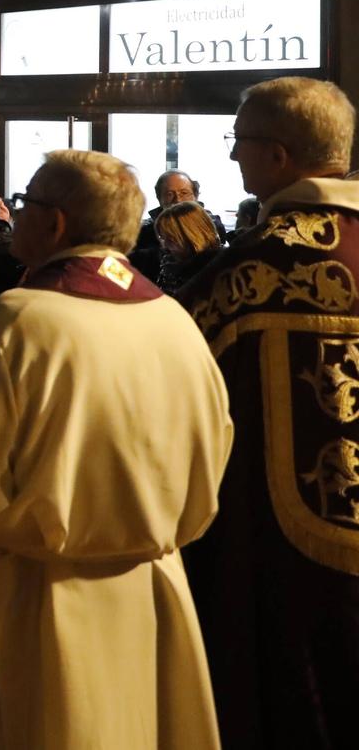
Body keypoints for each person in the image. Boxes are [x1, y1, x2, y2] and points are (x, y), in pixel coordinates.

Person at [0, 150, 231, 749]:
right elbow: (212, 463)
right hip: (152, 586)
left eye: (26, 202)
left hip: (35, 596)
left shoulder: (18, 324)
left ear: (55, 223)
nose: (13, 213)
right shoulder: (174, 322)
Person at [178, 77, 359, 749]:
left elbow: (177, 380)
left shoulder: (253, 265)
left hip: (285, 556)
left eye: (239, 141)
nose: (231, 158)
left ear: (279, 156)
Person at [129, 168, 198, 282]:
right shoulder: (145, 232)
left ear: (195, 196)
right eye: (169, 194)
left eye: (184, 193)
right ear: (159, 198)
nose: (178, 199)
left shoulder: (211, 228)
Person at [153, 200, 222, 295]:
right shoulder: (168, 264)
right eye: (163, 238)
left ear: (192, 236)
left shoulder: (217, 269)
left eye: (171, 239)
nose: (164, 245)